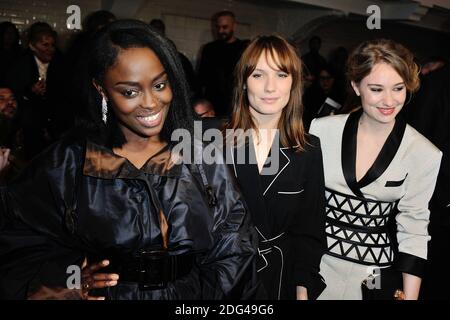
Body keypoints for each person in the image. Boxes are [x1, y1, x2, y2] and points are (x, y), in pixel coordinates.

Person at [0, 19, 257, 300]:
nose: (150, 102)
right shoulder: (69, 162)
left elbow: (234, 245)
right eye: (130, 92)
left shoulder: (200, 156)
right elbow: (18, 239)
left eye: (160, 85)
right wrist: (69, 279)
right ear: (101, 89)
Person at [309, 39, 442, 300]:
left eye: (398, 88)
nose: (389, 100)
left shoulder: (424, 153)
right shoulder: (321, 130)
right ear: (356, 86)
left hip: (375, 275)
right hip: (315, 263)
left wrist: (411, 297)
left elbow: (414, 229)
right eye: (377, 89)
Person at [225, 34, 327, 300]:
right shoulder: (214, 141)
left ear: (294, 83)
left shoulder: (308, 149)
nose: (271, 87)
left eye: (282, 75)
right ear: (244, 83)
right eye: (258, 75)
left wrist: (303, 292)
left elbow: (309, 231)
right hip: (223, 280)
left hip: (277, 282)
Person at [198, 11, 249, 118]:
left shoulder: (244, 48)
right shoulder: (209, 49)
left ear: (234, 26)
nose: (220, 31)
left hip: (235, 106)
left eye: (225, 27)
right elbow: (201, 79)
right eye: (218, 27)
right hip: (212, 107)